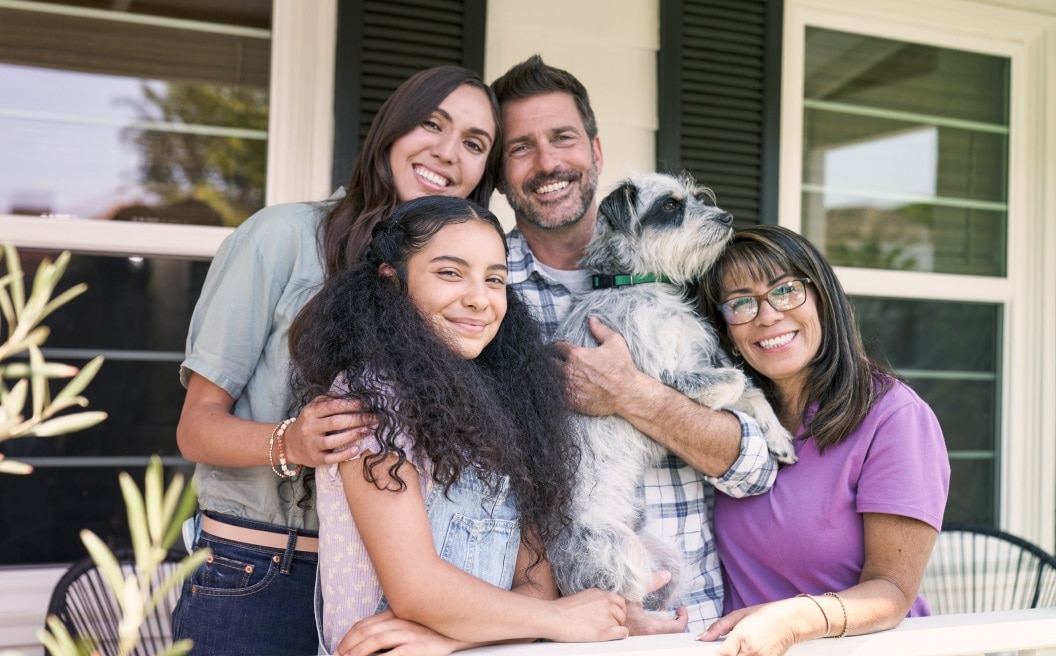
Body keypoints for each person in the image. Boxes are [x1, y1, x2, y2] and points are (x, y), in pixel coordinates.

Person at [171, 65, 503, 655]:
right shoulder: (282, 237)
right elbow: (196, 428)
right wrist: (290, 442)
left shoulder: (466, 293)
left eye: (475, 144)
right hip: (262, 571)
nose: (449, 154)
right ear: (391, 131)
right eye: (433, 124)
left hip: (396, 596)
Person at [489, 55, 779, 634]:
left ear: (595, 152)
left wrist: (630, 394)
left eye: (563, 138)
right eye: (521, 147)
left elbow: (754, 470)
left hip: (694, 619)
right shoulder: (477, 291)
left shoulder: (689, 280)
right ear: (498, 172)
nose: (548, 162)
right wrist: (600, 613)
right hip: (558, 624)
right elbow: (480, 477)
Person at [288, 196, 629, 655]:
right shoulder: (370, 399)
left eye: (494, 279)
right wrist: (562, 619)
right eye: (450, 273)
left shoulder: (509, 405)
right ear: (392, 280)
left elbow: (534, 587)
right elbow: (416, 587)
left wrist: (444, 638)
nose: (478, 298)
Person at [695, 225, 950, 656]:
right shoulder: (731, 422)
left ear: (823, 298)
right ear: (727, 334)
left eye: (786, 290)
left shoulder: (893, 417)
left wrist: (792, 620)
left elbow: (891, 592)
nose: (768, 315)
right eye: (741, 303)